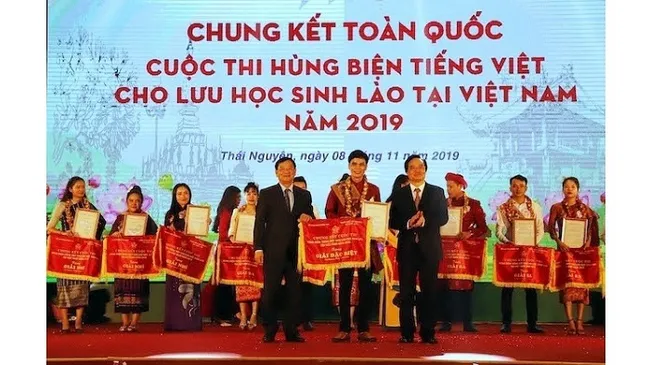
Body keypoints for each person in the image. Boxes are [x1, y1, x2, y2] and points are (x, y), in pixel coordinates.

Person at [254, 157, 315, 343]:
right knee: (270, 292)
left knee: (294, 293)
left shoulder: (305, 195)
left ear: (295, 171)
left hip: (296, 252)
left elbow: (310, 217)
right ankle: (270, 329)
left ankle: (292, 331)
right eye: (282, 169)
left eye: (290, 168)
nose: (286, 172)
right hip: (273, 251)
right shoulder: (266, 193)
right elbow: (259, 223)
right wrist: (258, 248)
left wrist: (309, 217)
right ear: (276, 172)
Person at [388, 155, 448, 344]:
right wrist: (407, 223)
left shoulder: (437, 192)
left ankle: (428, 332)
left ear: (425, 169)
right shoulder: (399, 194)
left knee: (429, 291)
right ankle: (406, 333)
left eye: (420, 167)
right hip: (407, 250)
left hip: (430, 249)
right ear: (407, 171)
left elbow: (443, 217)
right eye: (412, 167)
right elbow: (392, 221)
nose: (417, 170)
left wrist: (426, 220)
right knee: (406, 293)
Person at [325, 150, 381, 343]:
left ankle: (364, 328)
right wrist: (345, 224)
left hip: (365, 244)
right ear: (349, 166)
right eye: (354, 164)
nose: (358, 167)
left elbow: (378, 216)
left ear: (366, 166)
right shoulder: (336, 189)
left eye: (361, 164)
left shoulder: (373, 189)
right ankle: (344, 328)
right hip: (345, 243)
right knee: (345, 285)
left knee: (366, 287)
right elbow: (329, 212)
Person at [47, 176, 107, 333]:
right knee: (64, 287)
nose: (81, 190)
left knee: (82, 287)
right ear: (70, 189)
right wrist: (65, 233)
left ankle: (79, 321)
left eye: (83, 187)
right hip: (65, 252)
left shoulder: (88, 206)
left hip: (83, 253)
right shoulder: (62, 206)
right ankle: (65, 322)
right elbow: (49, 229)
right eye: (78, 187)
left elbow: (101, 222)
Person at [436, 173, 488, 333]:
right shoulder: (443, 204)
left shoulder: (473, 204)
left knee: (466, 289)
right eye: (447, 186)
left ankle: (468, 322)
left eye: (451, 186)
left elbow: (483, 228)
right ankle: (446, 322)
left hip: (464, 254)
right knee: (444, 288)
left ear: (460, 186)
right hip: (446, 252)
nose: (448, 189)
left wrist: (468, 234)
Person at [547, 177, 600, 335]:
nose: (569, 189)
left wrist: (588, 241)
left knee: (581, 287)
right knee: (568, 286)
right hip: (565, 252)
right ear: (562, 189)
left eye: (573, 187)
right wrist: (559, 241)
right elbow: (551, 228)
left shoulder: (585, 209)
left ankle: (580, 321)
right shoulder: (556, 207)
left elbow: (590, 228)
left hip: (581, 253)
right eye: (566, 186)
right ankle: (570, 321)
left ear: (578, 189)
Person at [495, 175, 544, 334]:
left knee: (531, 288)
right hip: (511, 251)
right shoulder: (503, 207)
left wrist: (532, 242)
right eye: (514, 186)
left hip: (529, 251)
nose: (518, 188)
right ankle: (506, 323)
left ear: (526, 188)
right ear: (510, 188)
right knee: (507, 288)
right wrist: (508, 242)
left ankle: (532, 323)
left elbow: (540, 229)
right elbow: (499, 230)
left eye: (521, 186)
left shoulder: (534, 206)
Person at [108, 185, 158, 332]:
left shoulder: (146, 218)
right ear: (127, 202)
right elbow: (111, 237)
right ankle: (124, 323)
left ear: (141, 202)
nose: (134, 203)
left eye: (137, 201)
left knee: (139, 293)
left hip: (139, 264)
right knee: (122, 293)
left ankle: (134, 323)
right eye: (131, 200)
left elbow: (155, 236)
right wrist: (116, 235)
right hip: (123, 263)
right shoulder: (121, 218)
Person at [163, 183, 203, 331]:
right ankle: (175, 323)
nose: (183, 196)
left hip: (192, 256)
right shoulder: (170, 214)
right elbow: (168, 234)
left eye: (186, 193)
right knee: (175, 289)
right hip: (175, 257)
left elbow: (200, 232)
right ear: (174, 196)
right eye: (179, 193)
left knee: (192, 289)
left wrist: (203, 223)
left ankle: (192, 323)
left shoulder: (197, 211)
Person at [228, 182, 262, 330]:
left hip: (256, 253)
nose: (251, 196)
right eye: (248, 193)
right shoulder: (238, 212)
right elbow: (231, 232)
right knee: (241, 285)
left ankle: (254, 315)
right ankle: (243, 315)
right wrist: (235, 240)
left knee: (255, 284)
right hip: (241, 253)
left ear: (258, 196)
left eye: (254, 193)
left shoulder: (262, 212)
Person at [206, 186, 241, 327]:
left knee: (227, 285)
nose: (239, 200)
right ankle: (221, 316)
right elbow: (223, 235)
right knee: (223, 286)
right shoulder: (226, 212)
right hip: (225, 251)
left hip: (229, 251)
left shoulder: (230, 211)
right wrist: (237, 236)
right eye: (237, 197)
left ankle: (227, 314)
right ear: (231, 197)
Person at [293, 176, 318, 331]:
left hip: (307, 252)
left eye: (304, 188)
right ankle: (293, 319)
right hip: (291, 250)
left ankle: (307, 319)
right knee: (292, 286)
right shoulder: (286, 205)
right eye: (298, 188)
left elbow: (318, 227)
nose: (301, 191)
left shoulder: (312, 208)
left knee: (307, 287)